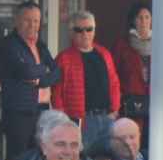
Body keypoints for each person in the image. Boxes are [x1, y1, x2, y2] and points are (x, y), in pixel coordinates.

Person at [0, 1, 59, 160]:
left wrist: (40, 79)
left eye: (36, 21)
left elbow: (56, 72)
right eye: (27, 20)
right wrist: (42, 70)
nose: (32, 25)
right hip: (19, 112)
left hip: (42, 110)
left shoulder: (40, 45)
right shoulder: (9, 45)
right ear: (17, 21)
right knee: (17, 159)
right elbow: (25, 71)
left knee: (40, 158)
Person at [50, 11, 121, 148]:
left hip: (107, 117)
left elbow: (114, 82)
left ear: (94, 31)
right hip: (81, 121)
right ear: (71, 33)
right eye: (79, 30)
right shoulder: (63, 58)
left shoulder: (104, 54)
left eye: (89, 29)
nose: (85, 34)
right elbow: (56, 93)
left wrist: (115, 109)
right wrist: (64, 121)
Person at [111, 3, 158, 129]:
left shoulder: (159, 42)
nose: (144, 21)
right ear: (133, 20)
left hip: (155, 99)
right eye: (140, 18)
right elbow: (113, 73)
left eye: (147, 17)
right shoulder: (122, 44)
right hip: (131, 99)